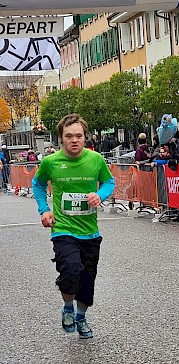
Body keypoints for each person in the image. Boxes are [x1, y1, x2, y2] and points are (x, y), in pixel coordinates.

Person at [32, 113, 115, 339]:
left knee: (87, 278)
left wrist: (99, 195)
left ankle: (81, 316)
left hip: (90, 232)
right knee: (71, 269)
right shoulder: (51, 162)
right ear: (61, 138)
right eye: (69, 136)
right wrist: (44, 210)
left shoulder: (95, 159)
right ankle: (68, 308)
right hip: (63, 229)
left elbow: (109, 182)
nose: (74, 140)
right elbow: (37, 184)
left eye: (78, 135)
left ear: (85, 137)